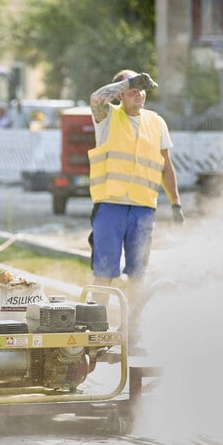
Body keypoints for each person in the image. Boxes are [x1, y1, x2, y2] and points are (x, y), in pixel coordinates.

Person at [88, 69, 183, 303]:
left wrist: (176, 204)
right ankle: (97, 331)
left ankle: (133, 331)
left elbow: (166, 166)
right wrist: (128, 82)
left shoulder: (157, 122)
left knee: (138, 275)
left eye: (141, 90)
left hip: (143, 208)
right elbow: (96, 98)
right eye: (132, 91)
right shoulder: (107, 116)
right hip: (110, 207)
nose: (139, 94)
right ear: (120, 95)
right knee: (104, 271)